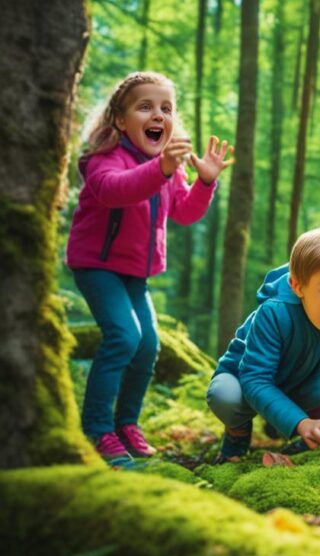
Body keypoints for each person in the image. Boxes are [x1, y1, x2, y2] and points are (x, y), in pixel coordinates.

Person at [67, 71, 233, 462]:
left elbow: (184, 213)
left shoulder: (168, 166)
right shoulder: (104, 160)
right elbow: (114, 191)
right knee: (124, 336)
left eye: (166, 108)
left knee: (147, 345)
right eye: (145, 107)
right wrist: (159, 170)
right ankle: (96, 428)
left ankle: (126, 423)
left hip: (135, 273)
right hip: (97, 264)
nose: (158, 115)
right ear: (120, 120)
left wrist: (204, 182)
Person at [206, 227, 320, 463]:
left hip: (306, 385)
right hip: (247, 379)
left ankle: (314, 436)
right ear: (298, 286)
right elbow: (255, 378)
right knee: (225, 396)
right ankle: (237, 435)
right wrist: (301, 423)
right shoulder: (274, 313)